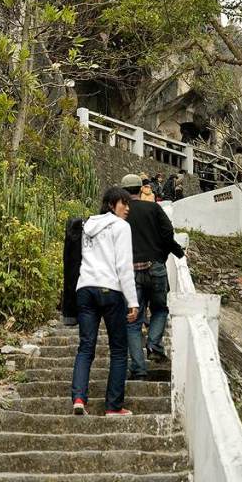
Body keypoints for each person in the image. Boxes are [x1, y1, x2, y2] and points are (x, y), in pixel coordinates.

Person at [70, 187, 139, 416]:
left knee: (86, 347)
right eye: (123, 203)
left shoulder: (87, 225)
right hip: (110, 289)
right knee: (119, 350)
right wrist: (133, 301)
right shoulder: (121, 227)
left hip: (85, 288)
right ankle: (113, 406)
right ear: (111, 205)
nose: (127, 208)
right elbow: (123, 266)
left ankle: (79, 398)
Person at [120, 174, 185, 380]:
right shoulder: (153, 208)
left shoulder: (120, 215)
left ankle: (139, 369)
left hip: (131, 272)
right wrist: (175, 253)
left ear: (123, 192)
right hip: (155, 266)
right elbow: (167, 234)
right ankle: (154, 344)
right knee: (160, 309)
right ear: (141, 189)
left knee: (133, 321)